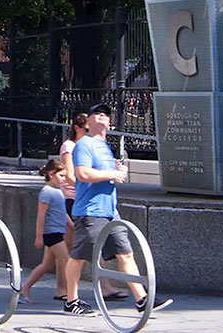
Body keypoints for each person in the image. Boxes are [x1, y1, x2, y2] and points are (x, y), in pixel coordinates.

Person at [62, 103, 172, 316]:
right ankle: (71, 301)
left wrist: (116, 171)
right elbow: (83, 174)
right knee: (78, 256)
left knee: (125, 252)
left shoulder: (105, 147)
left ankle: (141, 298)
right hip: (90, 211)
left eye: (106, 114)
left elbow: (103, 175)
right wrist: (112, 175)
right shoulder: (84, 145)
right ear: (89, 120)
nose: (102, 116)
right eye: (98, 113)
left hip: (110, 211)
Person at [61, 111, 124, 302]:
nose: (86, 130)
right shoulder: (72, 147)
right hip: (77, 200)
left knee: (91, 250)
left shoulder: (99, 146)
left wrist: (113, 173)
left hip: (102, 205)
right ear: (77, 127)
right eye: (83, 126)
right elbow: (74, 176)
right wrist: (105, 176)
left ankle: (137, 296)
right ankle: (66, 293)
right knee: (74, 251)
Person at [19, 159, 69, 304]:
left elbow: (62, 212)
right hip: (51, 233)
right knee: (66, 260)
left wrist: (71, 225)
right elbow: (41, 215)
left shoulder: (57, 192)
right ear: (52, 174)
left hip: (57, 231)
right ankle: (70, 293)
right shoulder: (46, 192)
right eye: (62, 176)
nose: (64, 179)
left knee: (47, 265)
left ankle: (24, 289)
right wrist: (39, 237)